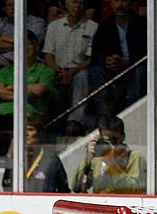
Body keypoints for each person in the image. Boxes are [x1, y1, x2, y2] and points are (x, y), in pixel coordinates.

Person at [42, 0, 97, 135]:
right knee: (46, 75)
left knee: (82, 77)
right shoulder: (54, 26)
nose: (77, 6)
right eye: (73, 2)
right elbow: (48, 55)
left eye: (81, 2)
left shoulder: (93, 27)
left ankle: (75, 122)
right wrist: (59, 71)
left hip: (79, 70)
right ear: (66, 4)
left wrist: (72, 71)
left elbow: (90, 59)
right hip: (57, 69)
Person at [0, 31, 55, 128]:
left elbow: (39, 90)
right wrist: (28, 93)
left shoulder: (45, 70)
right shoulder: (6, 70)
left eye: (28, 44)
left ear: (36, 47)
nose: (25, 48)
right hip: (3, 117)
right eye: (21, 44)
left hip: (30, 118)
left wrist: (12, 87)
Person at [73, 114, 145, 194]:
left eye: (114, 139)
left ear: (123, 137)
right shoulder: (97, 160)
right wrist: (87, 162)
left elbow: (137, 189)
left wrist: (112, 166)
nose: (111, 144)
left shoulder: (135, 157)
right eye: (107, 140)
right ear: (100, 136)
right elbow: (77, 187)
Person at [3, 115, 69, 193]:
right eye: (23, 130)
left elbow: (63, 190)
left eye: (30, 129)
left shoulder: (51, 160)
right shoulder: (15, 158)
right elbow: (6, 187)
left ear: (39, 134)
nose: (26, 134)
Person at [0, 0, 47, 67]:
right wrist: (21, 43)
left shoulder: (37, 22)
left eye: (16, 4)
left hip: (28, 64)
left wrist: (3, 37)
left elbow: (29, 42)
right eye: (9, 5)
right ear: (5, 9)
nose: (13, 7)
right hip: (0, 65)